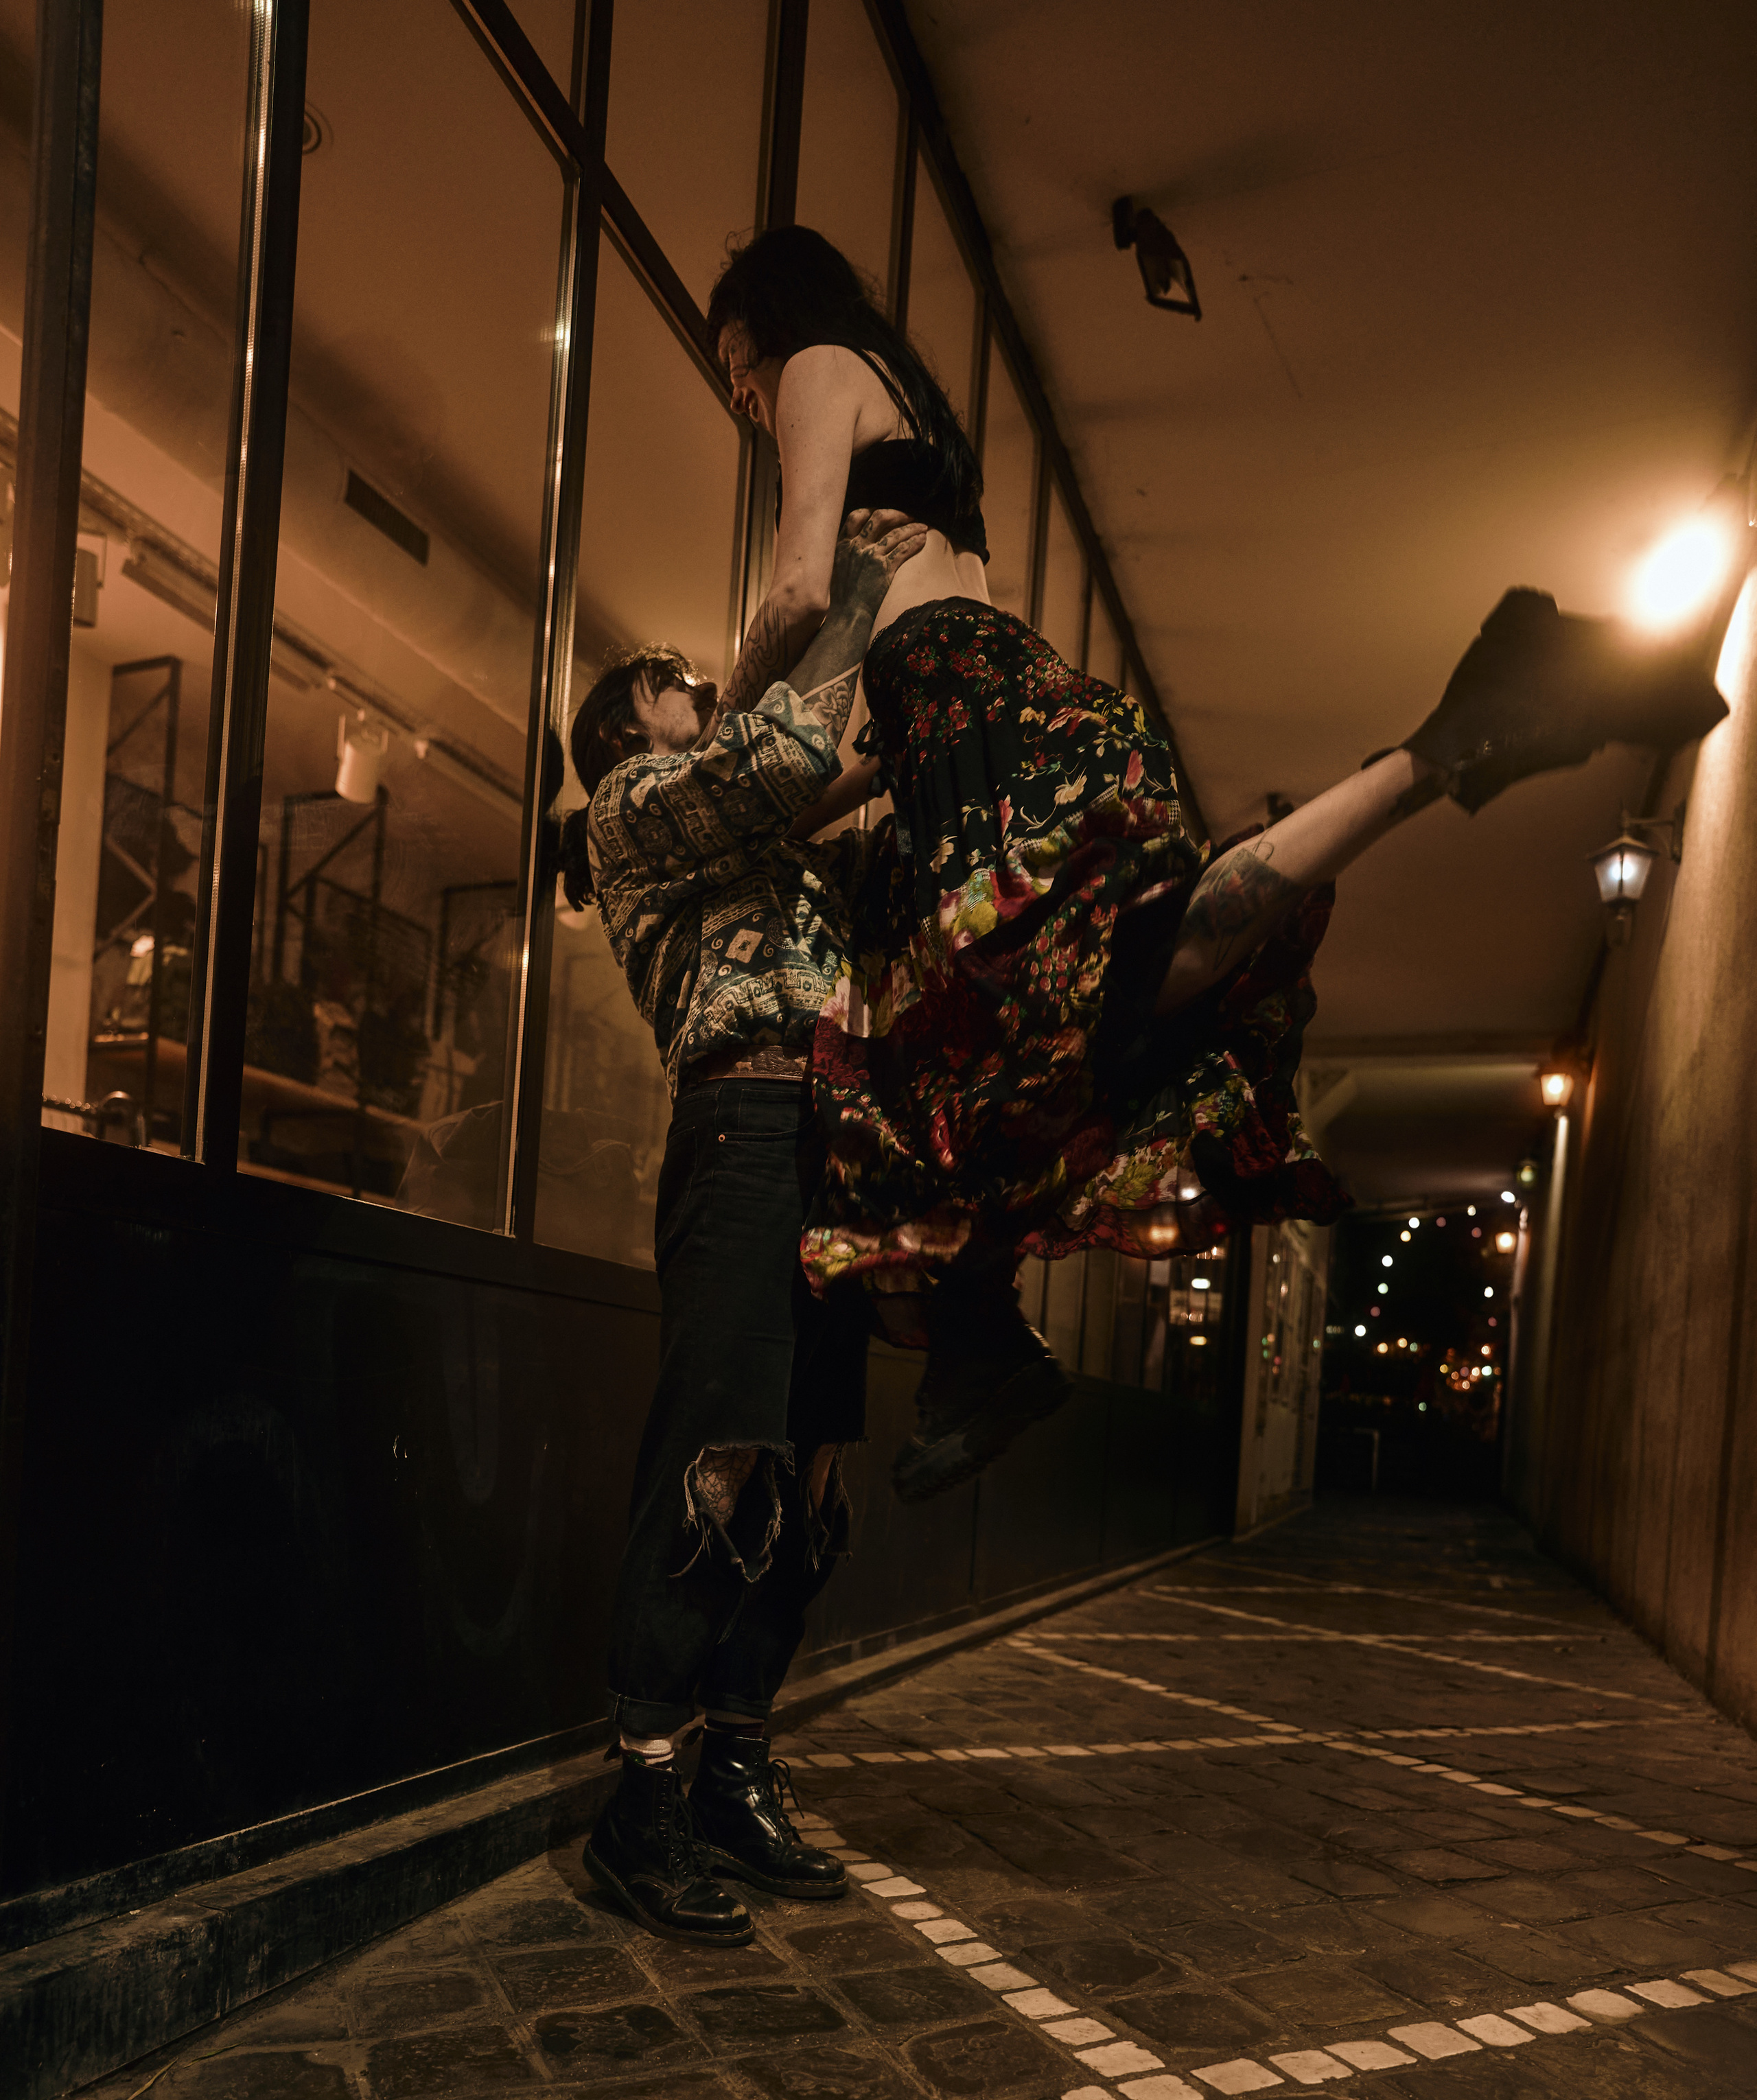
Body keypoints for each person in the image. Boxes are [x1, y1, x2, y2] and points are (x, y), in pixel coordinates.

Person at [703, 225, 1727, 1504]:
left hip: (979, 738)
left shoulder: (816, 369)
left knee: (968, 1068)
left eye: (734, 364)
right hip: (992, 729)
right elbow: (891, 710)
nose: (742, 394)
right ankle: (1444, 747)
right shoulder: (916, 444)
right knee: (1111, 1006)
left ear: (771, 325)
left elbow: (798, 594)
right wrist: (777, 817)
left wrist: (713, 747)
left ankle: (980, 1345)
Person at [556, 511, 930, 1947]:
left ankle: (734, 1765)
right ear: (623, 731)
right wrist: (857, 594)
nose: (698, 683)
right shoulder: (634, 806)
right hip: (744, 1125)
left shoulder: (768, 844)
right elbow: (769, 758)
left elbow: (832, 820)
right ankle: (641, 1793)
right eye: (672, 680)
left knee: (811, 1472)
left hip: (829, 1135)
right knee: (716, 1458)